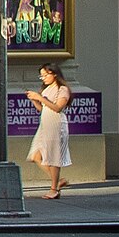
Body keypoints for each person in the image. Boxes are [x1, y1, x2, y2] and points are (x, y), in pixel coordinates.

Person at [26, 62, 73, 198]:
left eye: (46, 75)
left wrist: (40, 98)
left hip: (56, 124)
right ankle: (58, 181)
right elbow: (43, 109)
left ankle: (54, 189)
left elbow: (58, 107)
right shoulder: (46, 90)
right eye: (42, 76)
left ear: (55, 74)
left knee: (53, 157)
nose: (44, 78)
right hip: (45, 124)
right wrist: (35, 100)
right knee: (36, 155)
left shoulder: (62, 89)